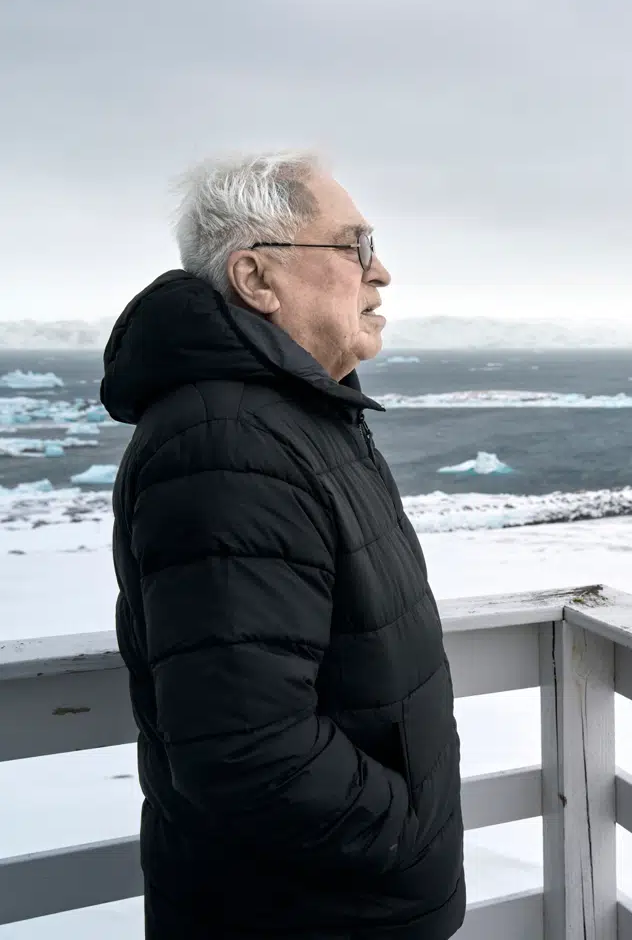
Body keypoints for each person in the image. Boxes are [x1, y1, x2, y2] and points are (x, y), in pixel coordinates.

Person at [100, 153, 465, 939]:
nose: (383, 272)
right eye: (355, 245)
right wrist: (402, 832)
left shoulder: (293, 418)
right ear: (257, 279)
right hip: (311, 912)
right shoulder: (228, 445)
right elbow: (247, 750)